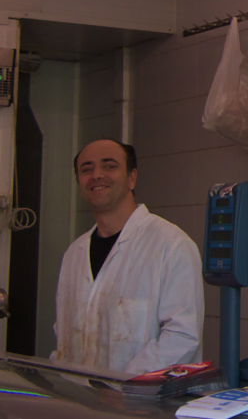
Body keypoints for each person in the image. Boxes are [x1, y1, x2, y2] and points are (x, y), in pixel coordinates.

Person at [53, 138, 204, 378]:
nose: (97, 175)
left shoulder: (171, 245)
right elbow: (65, 334)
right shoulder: (74, 254)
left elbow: (182, 337)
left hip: (143, 404)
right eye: (86, 169)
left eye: (109, 166)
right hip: (80, 402)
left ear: (132, 178)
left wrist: (127, 384)